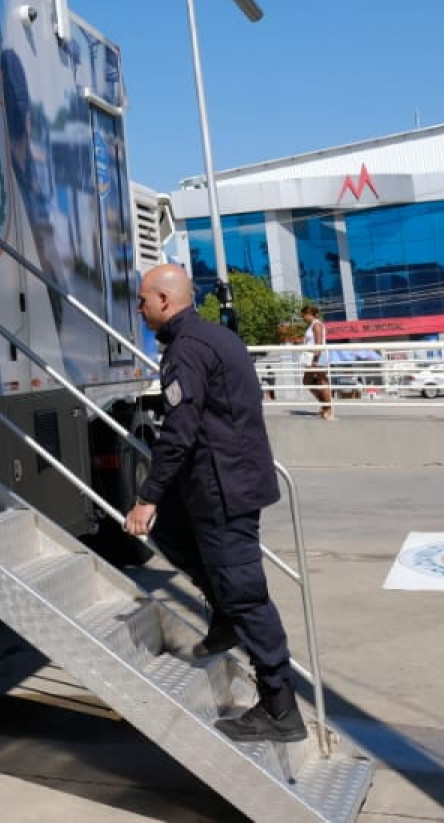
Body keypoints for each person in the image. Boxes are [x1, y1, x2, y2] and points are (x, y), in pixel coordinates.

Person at [122, 262, 306, 743]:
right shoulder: (217, 338)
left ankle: (280, 708)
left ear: (164, 300)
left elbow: (179, 433)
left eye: (142, 300)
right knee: (170, 531)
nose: (139, 309)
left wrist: (147, 497)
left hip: (224, 490)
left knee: (245, 594)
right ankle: (224, 616)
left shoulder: (187, 350)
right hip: (222, 482)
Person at [298, 304, 332, 419]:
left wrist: (316, 359)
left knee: (322, 381)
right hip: (312, 357)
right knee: (307, 381)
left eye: (303, 315)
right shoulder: (312, 325)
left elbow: (319, 342)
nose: (303, 318)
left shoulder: (316, 324)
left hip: (318, 356)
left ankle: (328, 410)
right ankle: (324, 406)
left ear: (308, 314)